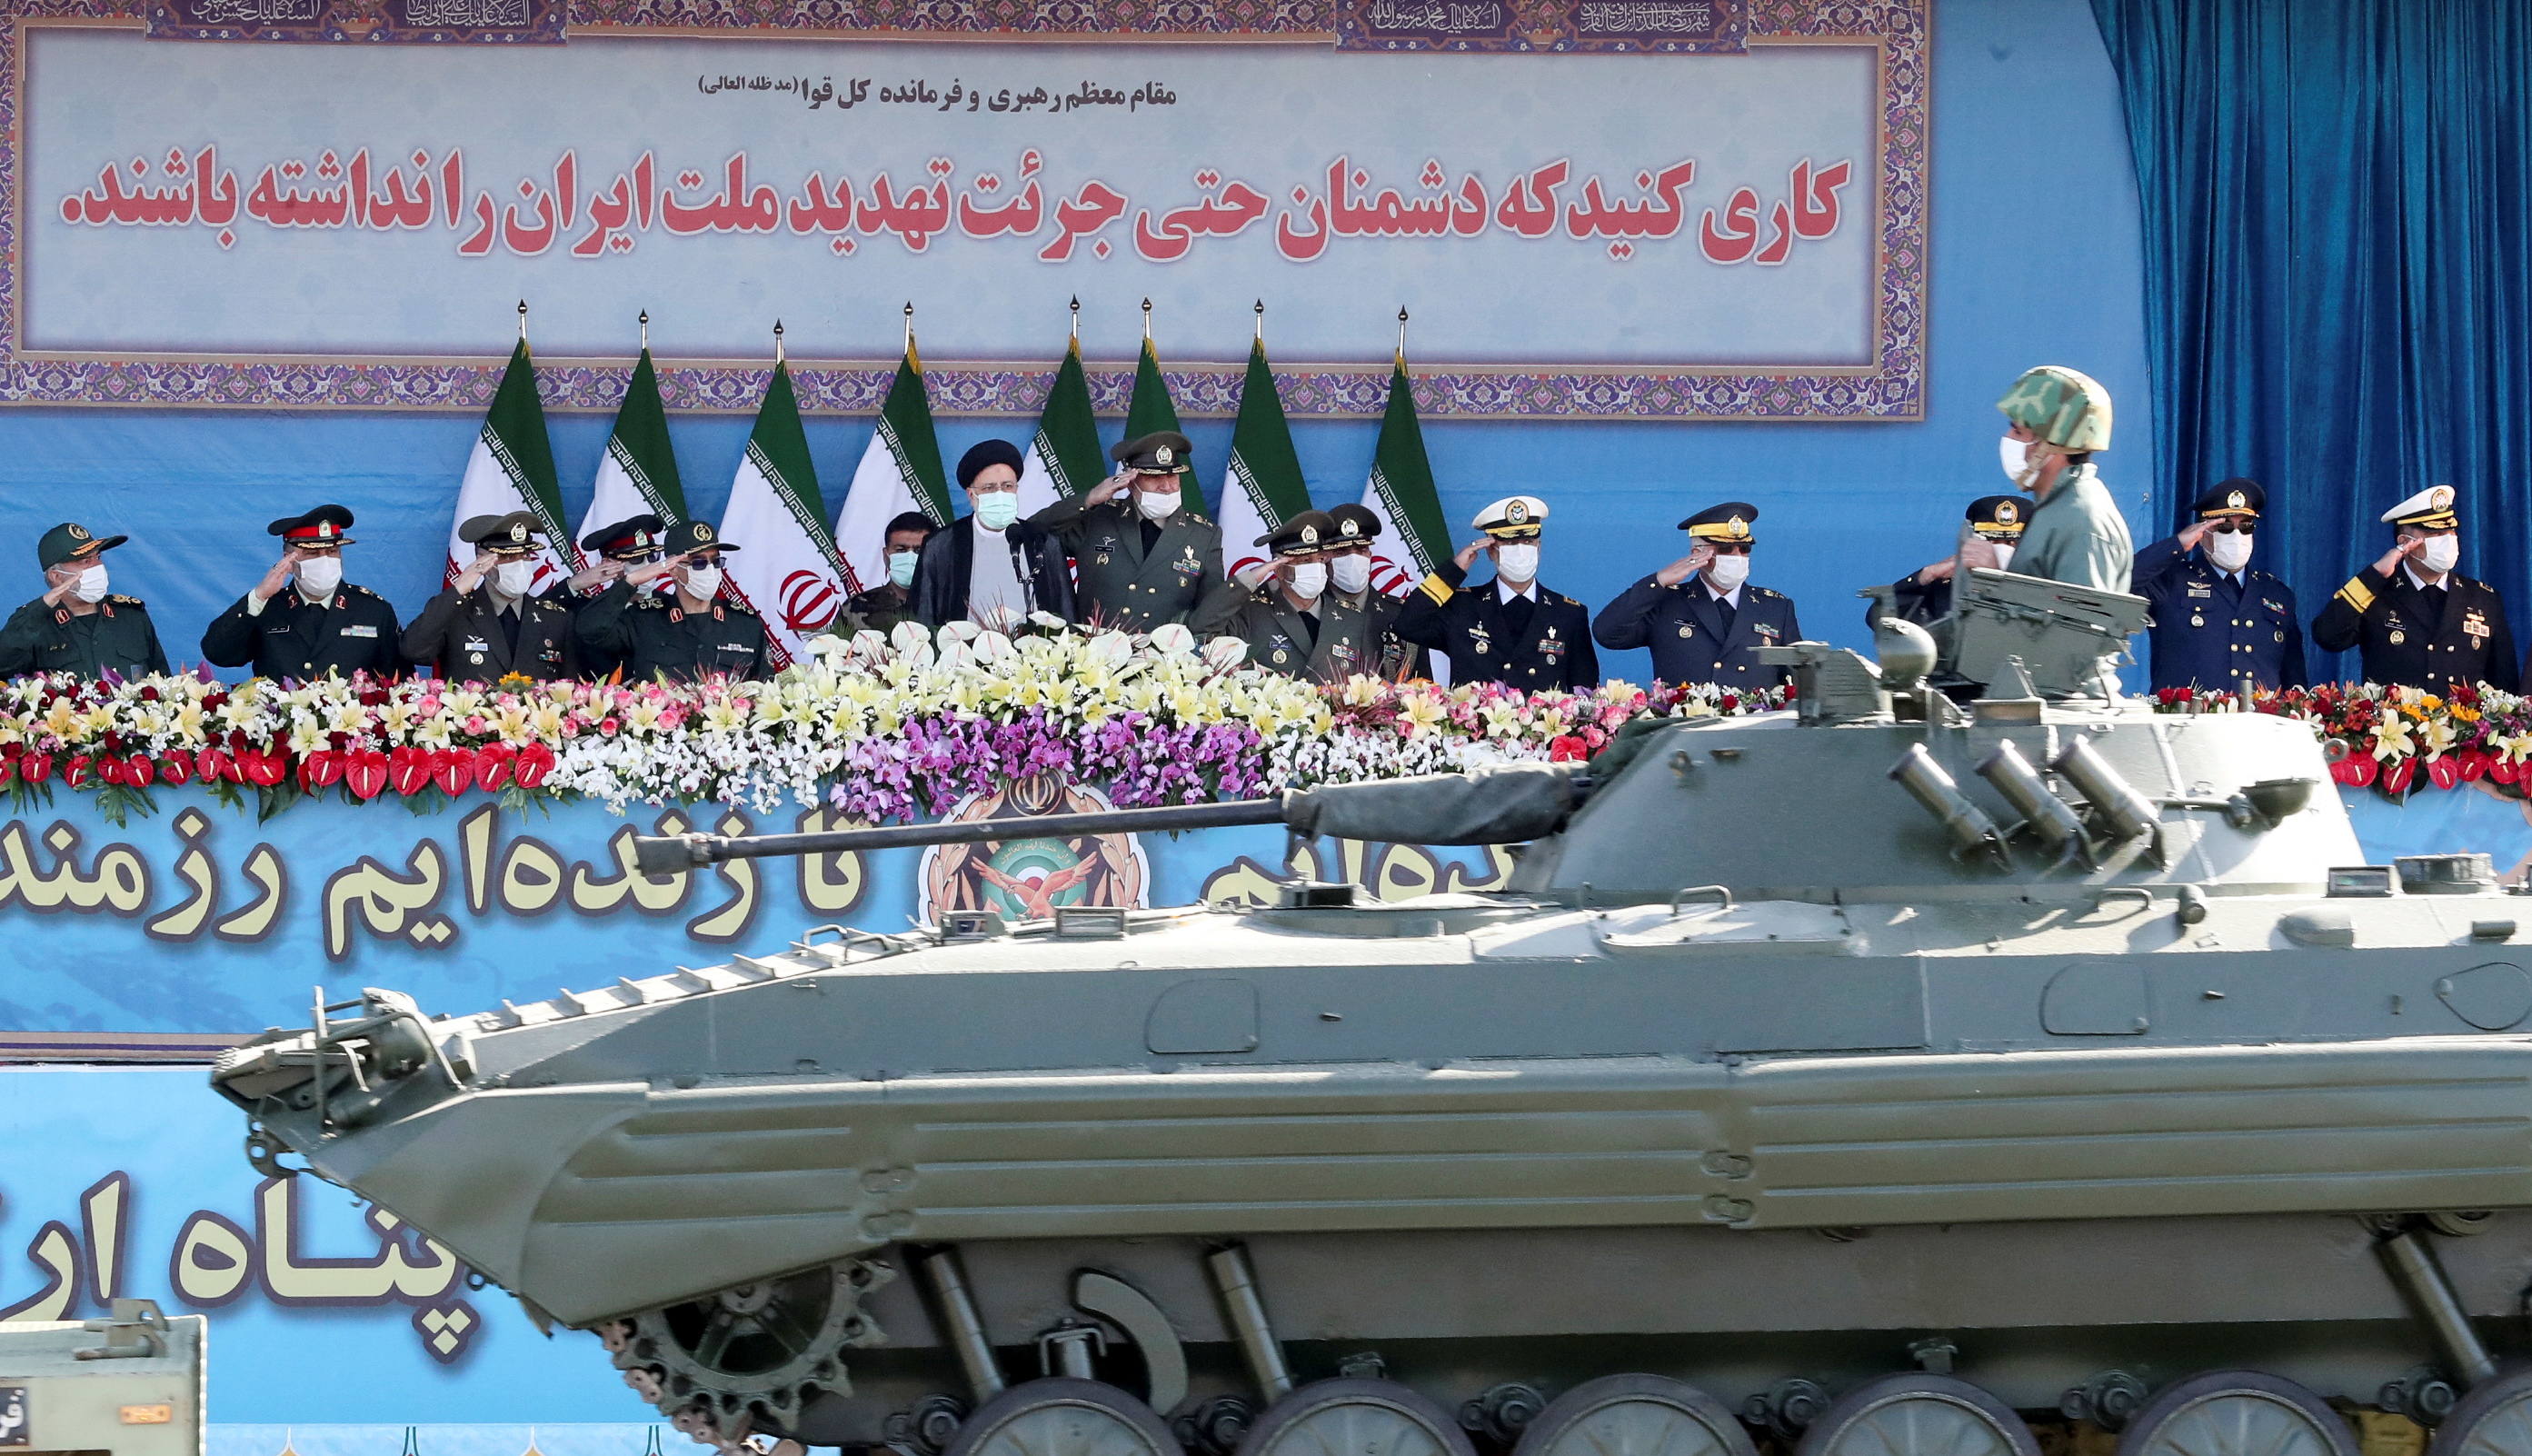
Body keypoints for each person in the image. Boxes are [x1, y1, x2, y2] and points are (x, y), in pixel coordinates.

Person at [2312, 484, 2517, 693]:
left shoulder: (2483, 598)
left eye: (2450, 530)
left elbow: (2504, 682)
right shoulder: (2376, 593)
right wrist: (2374, 575)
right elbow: (2327, 635)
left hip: (2464, 724)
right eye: (2434, 533)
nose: (2448, 539)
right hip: (2395, 724)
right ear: (2404, 542)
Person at [1394, 495, 1597, 692]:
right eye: (1510, 543)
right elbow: (1408, 625)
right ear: (1491, 551)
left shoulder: (1568, 614)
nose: (1520, 551)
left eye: (1528, 542)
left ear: (1539, 548)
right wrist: (1454, 571)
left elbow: (1585, 692)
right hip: (1474, 725)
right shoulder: (1462, 607)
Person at [1592, 502, 1800, 690]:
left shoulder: (1775, 608)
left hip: (1752, 729)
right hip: (1683, 728)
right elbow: (1608, 633)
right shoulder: (1667, 602)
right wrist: (1659, 581)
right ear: (1697, 553)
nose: (1737, 556)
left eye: (1744, 548)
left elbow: (1796, 680)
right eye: (1726, 549)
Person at [1027, 432, 1222, 631]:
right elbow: (1033, 531)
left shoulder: (1203, 536)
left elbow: (1211, 613)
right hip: (1093, 656)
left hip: (1165, 658)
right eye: (1153, 476)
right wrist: (1089, 500)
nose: (1166, 486)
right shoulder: (1096, 519)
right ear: (1130, 480)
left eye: (1172, 475)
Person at [2133, 479, 2306, 693]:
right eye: (2224, 527)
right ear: (2203, 533)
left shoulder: (2276, 593)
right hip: (2187, 722)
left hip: (2258, 722)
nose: (2236, 536)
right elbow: (2120, 582)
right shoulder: (2171, 581)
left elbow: (2294, 679)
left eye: (2245, 527)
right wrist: (2177, 544)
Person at [200, 505, 403, 682]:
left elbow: (397, 680)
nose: (325, 560)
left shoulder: (373, 610)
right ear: (288, 559)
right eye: (313, 553)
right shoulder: (267, 607)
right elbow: (218, 653)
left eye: (332, 552)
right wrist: (259, 596)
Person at [576, 520, 771, 682]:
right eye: (699, 563)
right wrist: (631, 581)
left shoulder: (746, 623)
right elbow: (590, 628)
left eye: (716, 561)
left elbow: (767, 688)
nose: (710, 570)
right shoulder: (643, 620)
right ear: (674, 569)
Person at [1195, 511, 1382, 680]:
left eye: (1319, 559)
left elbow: (1369, 686)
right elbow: (1203, 627)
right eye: (1304, 561)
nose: (1315, 568)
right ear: (1279, 570)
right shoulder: (1252, 614)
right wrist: (1251, 577)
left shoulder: (1354, 620)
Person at [912, 440, 1074, 630]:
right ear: (971, 495)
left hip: (1033, 653)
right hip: (962, 653)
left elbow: (1066, 610)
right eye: (989, 488)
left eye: (1007, 486)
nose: (1000, 494)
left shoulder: (1042, 541)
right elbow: (924, 615)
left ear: (1016, 490)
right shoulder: (942, 544)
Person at [1995, 365, 2131, 591]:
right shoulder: (2056, 507)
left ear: (2052, 447)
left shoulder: (2084, 522)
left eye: (2018, 432)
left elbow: (2080, 624)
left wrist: (1996, 580)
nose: (2008, 438)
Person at [400, 512, 581, 683]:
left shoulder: (555, 618)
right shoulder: (455, 612)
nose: (519, 565)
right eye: (507, 557)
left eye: (525, 556)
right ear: (481, 561)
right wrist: (458, 589)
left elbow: (569, 688)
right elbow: (413, 650)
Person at [0, 522, 167, 680]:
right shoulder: (35, 625)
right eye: (85, 561)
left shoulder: (132, 616)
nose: (98, 566)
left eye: (98, 557)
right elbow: (3, 665)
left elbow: (163, 682)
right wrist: (39, 609)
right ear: (56, 576)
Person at [1867, 495, 2026, 631]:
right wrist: (1923, 578)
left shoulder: (2044, 581)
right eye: (1991, 541)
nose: (2000, 549)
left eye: (2011, 542)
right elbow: (1878, 618)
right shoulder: (1948, 584)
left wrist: (2001, 581)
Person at [1324, 503, 1420, 679]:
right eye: (1342, 552)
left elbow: (1422, 686)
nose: (1353, 559)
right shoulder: (1313, 609)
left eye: (1361, 550)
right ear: (1325, 558)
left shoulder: (1400, 613)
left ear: (1370, 555)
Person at [835, 512, 934, 638]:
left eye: (919, 550)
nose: (910, 557)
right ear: (885, 555)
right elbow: (833, 654)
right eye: (901, 550)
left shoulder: (948, 604)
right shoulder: (856, 606)